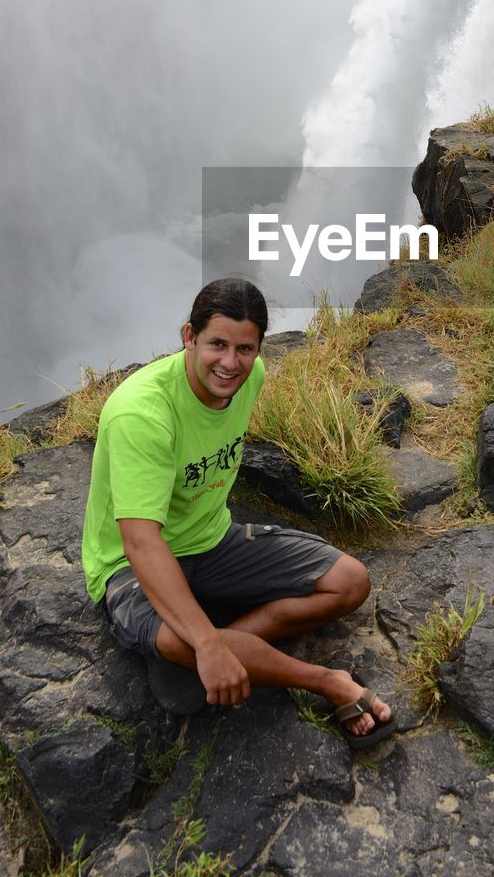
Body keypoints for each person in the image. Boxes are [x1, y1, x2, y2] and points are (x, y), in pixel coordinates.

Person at [81, 276, 396, 750]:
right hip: (129, 568)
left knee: (350, 582)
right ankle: (327, 682)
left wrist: (211, 644)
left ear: (258, 348)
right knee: (180, 644)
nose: (230, 364)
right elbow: (141, 542)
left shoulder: (253, 378)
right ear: (189, 336)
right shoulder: (142, 414)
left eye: (245, 349)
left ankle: (211, 651)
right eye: (217, 345)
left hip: (213, 541)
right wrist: (206, 646)